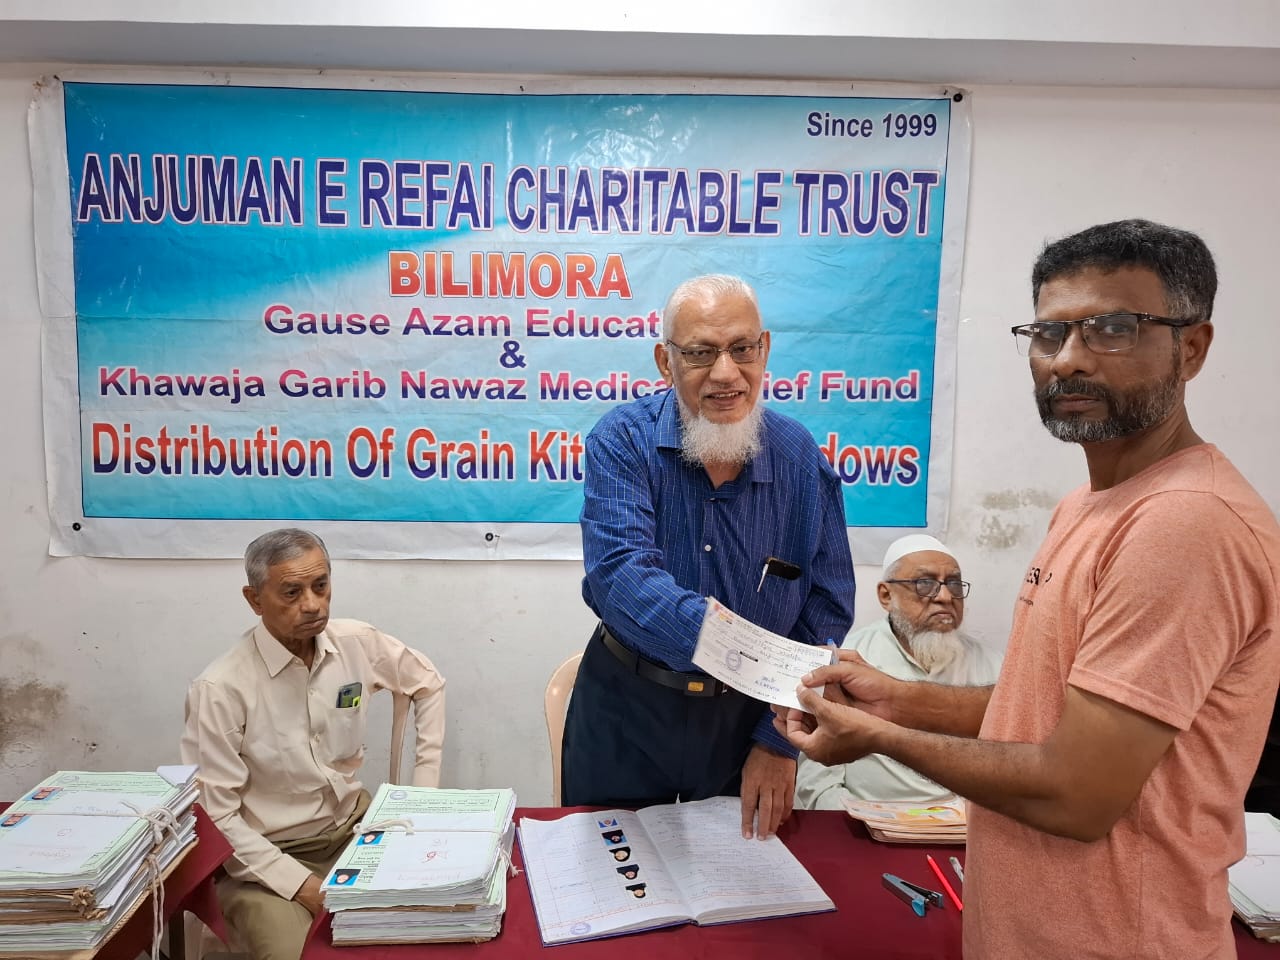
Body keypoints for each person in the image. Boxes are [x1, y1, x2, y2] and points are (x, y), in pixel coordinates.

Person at [779, 220, 1280, 959]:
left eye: (1112, 329)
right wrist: (896, 699)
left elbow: (1077, 793)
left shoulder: (1185, 524)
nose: (1069, 358)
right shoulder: (1086, 507)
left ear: (1192, 348)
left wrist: (878, 739)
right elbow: (1043, 712)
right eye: (1049, 333)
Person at [563, 273, 855, 839]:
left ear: (764, 350)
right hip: (626, 710)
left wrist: (778, 741)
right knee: (614, 877)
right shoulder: (622, 441)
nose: (725, 373)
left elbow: (826, 606)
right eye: (700, 353)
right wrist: (748, 652)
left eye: (742, 349)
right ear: (665, 362)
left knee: (739, 883)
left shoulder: (799, 458)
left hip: (748, 721)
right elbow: (622, 578)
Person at [181, 528, 446, 960]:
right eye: (292, 592)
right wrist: (304, 887)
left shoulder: (355, 643)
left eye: (320, 586)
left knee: (432, 924)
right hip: (267, 860)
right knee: (296, 953)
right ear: (254, 600)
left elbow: (428, 682)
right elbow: (217, 816)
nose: (312, 604)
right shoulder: (221, 689)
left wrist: (423, 794)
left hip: (357, 831)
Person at [794, 534, 1001, 810]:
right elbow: (818, 776)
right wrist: (857, 821)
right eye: (925, 583)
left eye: (954, 584)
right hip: (864, 822)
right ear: (886, 595)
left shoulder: (995, 668)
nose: (945, 596)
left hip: (965, 827)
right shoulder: (848, 660)